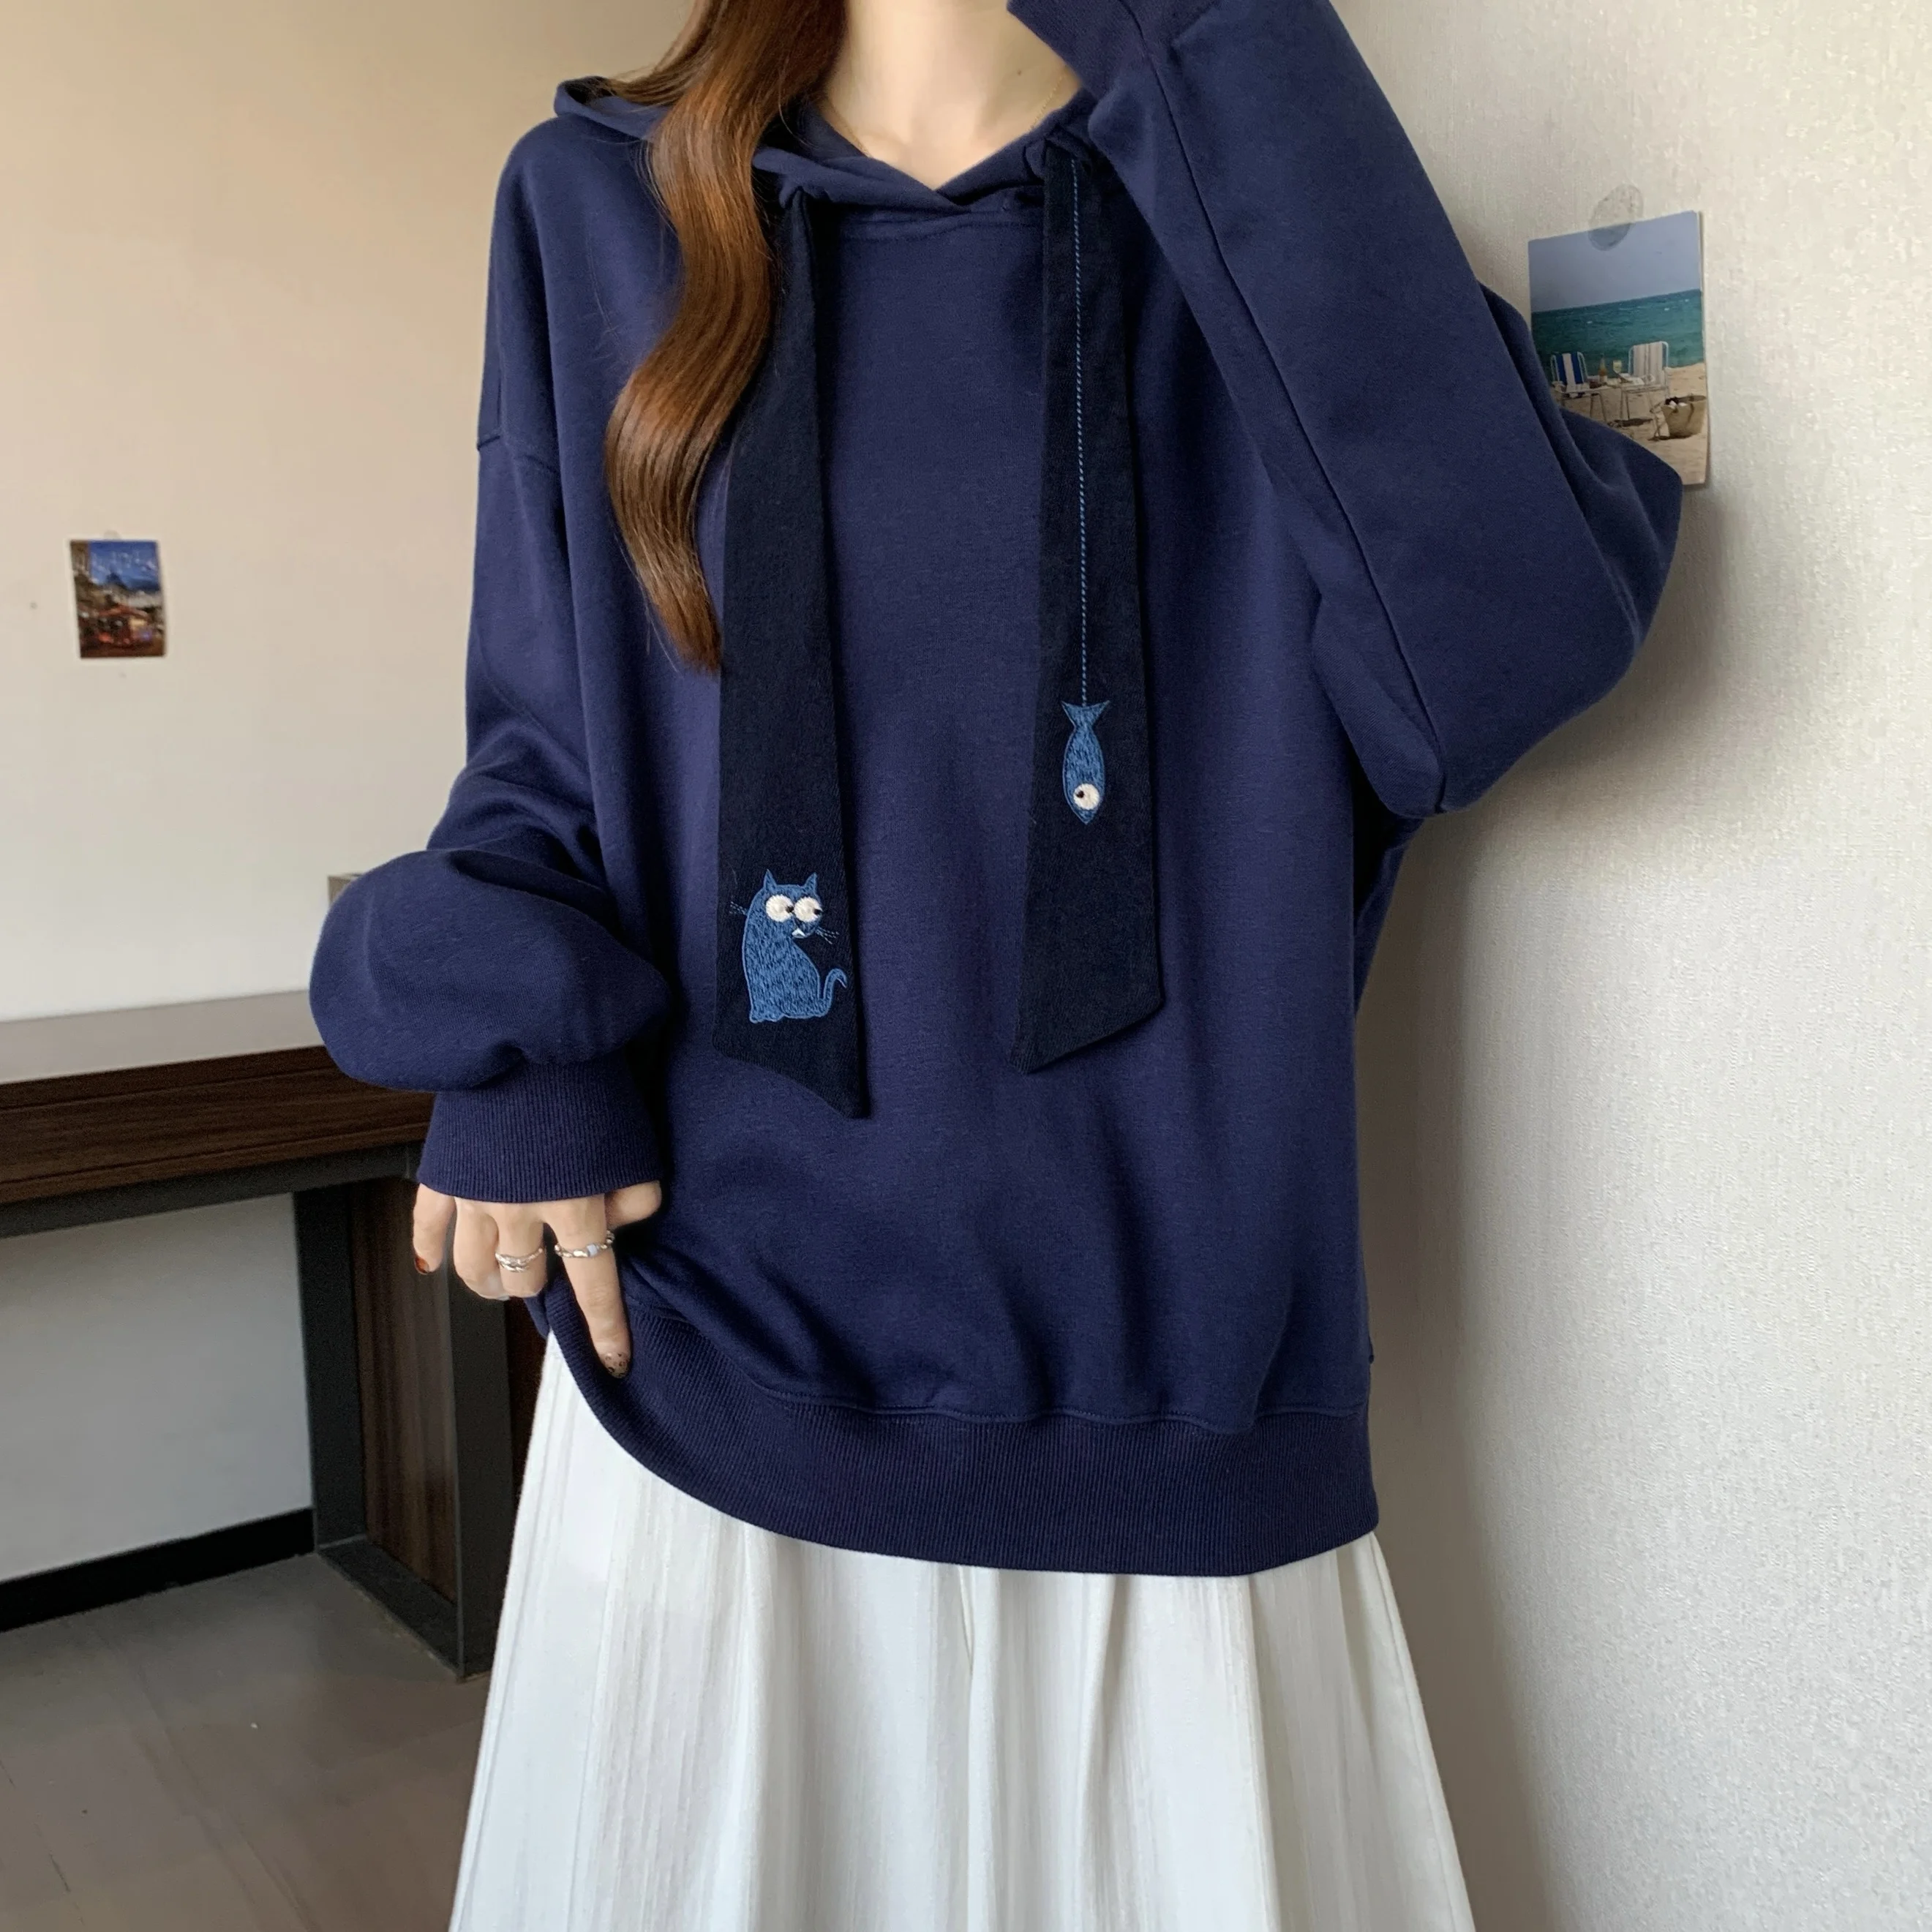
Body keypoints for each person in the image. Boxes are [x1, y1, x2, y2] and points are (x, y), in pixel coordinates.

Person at [310, 0, 1681, 1922]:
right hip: (714, 1421)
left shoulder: (1253, 191)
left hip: (1183, 1448)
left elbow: (1494, 664)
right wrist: (517, 1043)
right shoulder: (595, 206)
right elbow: (544, 760)